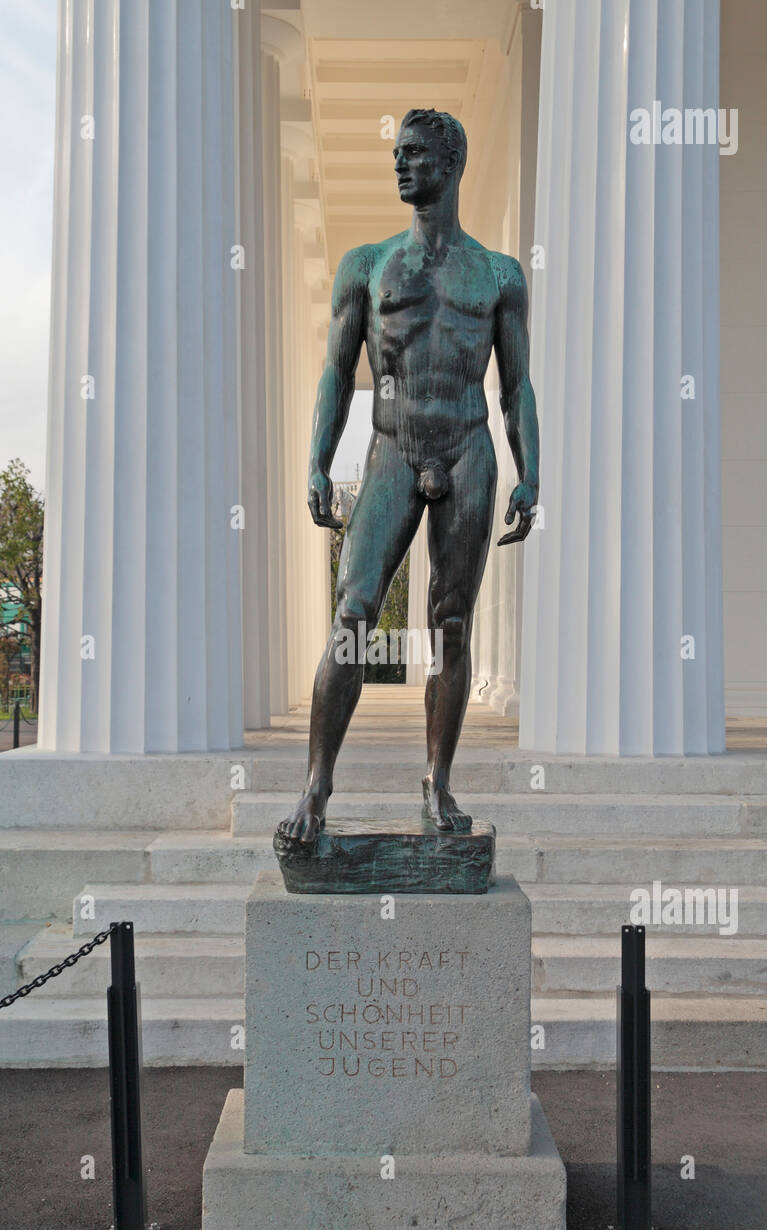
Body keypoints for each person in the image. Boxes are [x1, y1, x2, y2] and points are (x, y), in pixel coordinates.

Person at [278, 108, 539, 843]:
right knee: (354, 614)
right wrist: (318, 462)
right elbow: (335, 372)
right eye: (397, 153)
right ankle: (316, 788)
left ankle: (438, 785)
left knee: (451, 625)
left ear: (451, 163)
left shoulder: (498, 275)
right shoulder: (366, 265)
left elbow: (515, 387)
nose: (401, 164)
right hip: (392, 448)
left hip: (467, 449)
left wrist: (531, 472)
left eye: (416, 153)